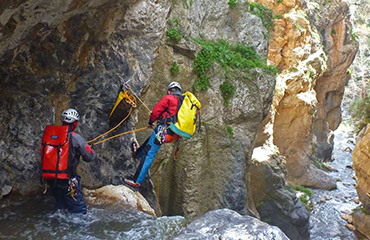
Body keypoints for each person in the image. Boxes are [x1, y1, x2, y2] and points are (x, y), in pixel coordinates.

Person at [124, 82, 182, 189]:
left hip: (163, 131)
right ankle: (137, 153)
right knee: (151, 142)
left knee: (149, 153)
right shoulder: (183, 104)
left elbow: (156, 111)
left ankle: (136, 181)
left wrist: (151, 122)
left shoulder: (169, 98)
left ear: (170, 91)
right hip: (173, 135)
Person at [43, 109, 96, 214]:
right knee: (79, 210)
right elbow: (89, 157)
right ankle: (80, 229)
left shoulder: (50, 135)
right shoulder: (76, 138)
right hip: (68, 180)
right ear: (75, 123)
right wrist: (90, 148)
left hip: (51, 179)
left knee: (60, 206)